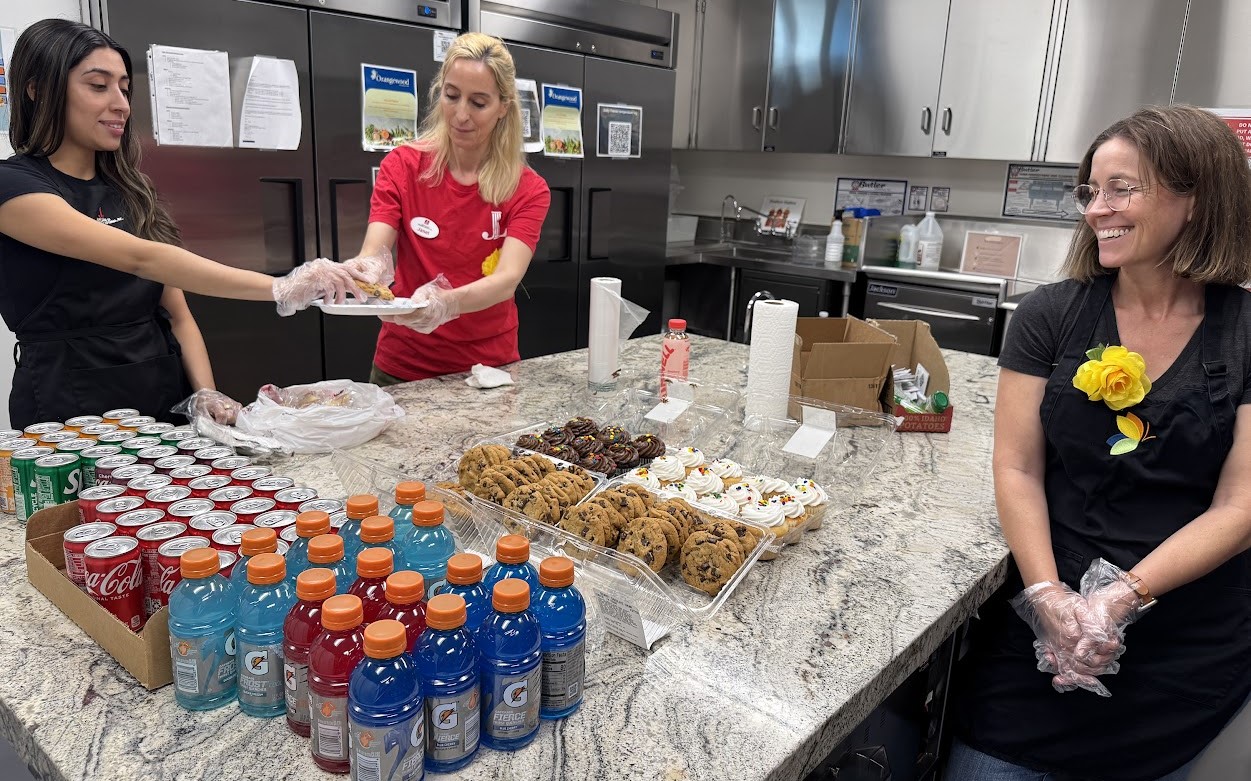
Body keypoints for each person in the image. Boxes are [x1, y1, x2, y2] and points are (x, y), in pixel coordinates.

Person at [946, 104, 1251, 780]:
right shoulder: (1048, 316)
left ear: (1195, 200)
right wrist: (1050, 597)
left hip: (1181, 655)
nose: (1094, 209)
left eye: (1122, 189)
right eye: (1090, 190)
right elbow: (1017, 465)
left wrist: (1121, 596)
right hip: (1035, 641)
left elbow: (1240, 505)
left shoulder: (1244, 332)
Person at [0, 20, 361, 428]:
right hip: (68, 410)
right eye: (98, 86)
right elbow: (141, 259)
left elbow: (177, 313)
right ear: (37, 90)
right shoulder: (13, 186)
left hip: (162, 398)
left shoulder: (131, 189)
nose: (121, 103)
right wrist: (278, 287)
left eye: (124, 87)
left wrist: (205, 391)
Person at [346, 32, 551, 383]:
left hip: (488, 370)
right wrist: (362, 272)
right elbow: (375, 250)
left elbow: (505, 280)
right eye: (452, 96)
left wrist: (446, 304)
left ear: (504, 106)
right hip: (402, 367)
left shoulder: (528, 190)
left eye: (478, 102)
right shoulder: (403, 166)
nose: (460, 115)